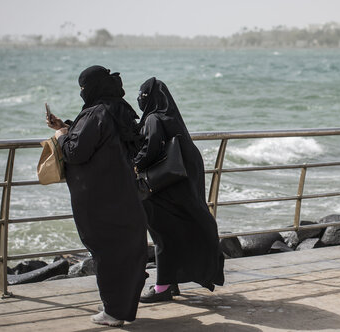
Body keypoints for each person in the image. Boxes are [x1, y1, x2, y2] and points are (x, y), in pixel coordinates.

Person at [47, 65, 148, 327]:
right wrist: (68, 126)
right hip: (124, 192)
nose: (82, 92)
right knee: (125, 250)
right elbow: (105, 138)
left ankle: (113, 311)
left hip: (101, 197)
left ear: (91, 88)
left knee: (106, 251)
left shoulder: (95, 113)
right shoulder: (120, 109)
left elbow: (76, 152)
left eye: (83, 88)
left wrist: (60, 137)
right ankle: (119, 305)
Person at [133, 77, 225, 302]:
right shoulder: (172, 119)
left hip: (160, 192)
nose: (138, 99)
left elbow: (151, 149)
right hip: (178, 192)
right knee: (173, 235)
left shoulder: (153, 119)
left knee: (163, 237)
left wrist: (134, 164)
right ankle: (170, 283)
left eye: (141, 95)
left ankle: (163, 288)